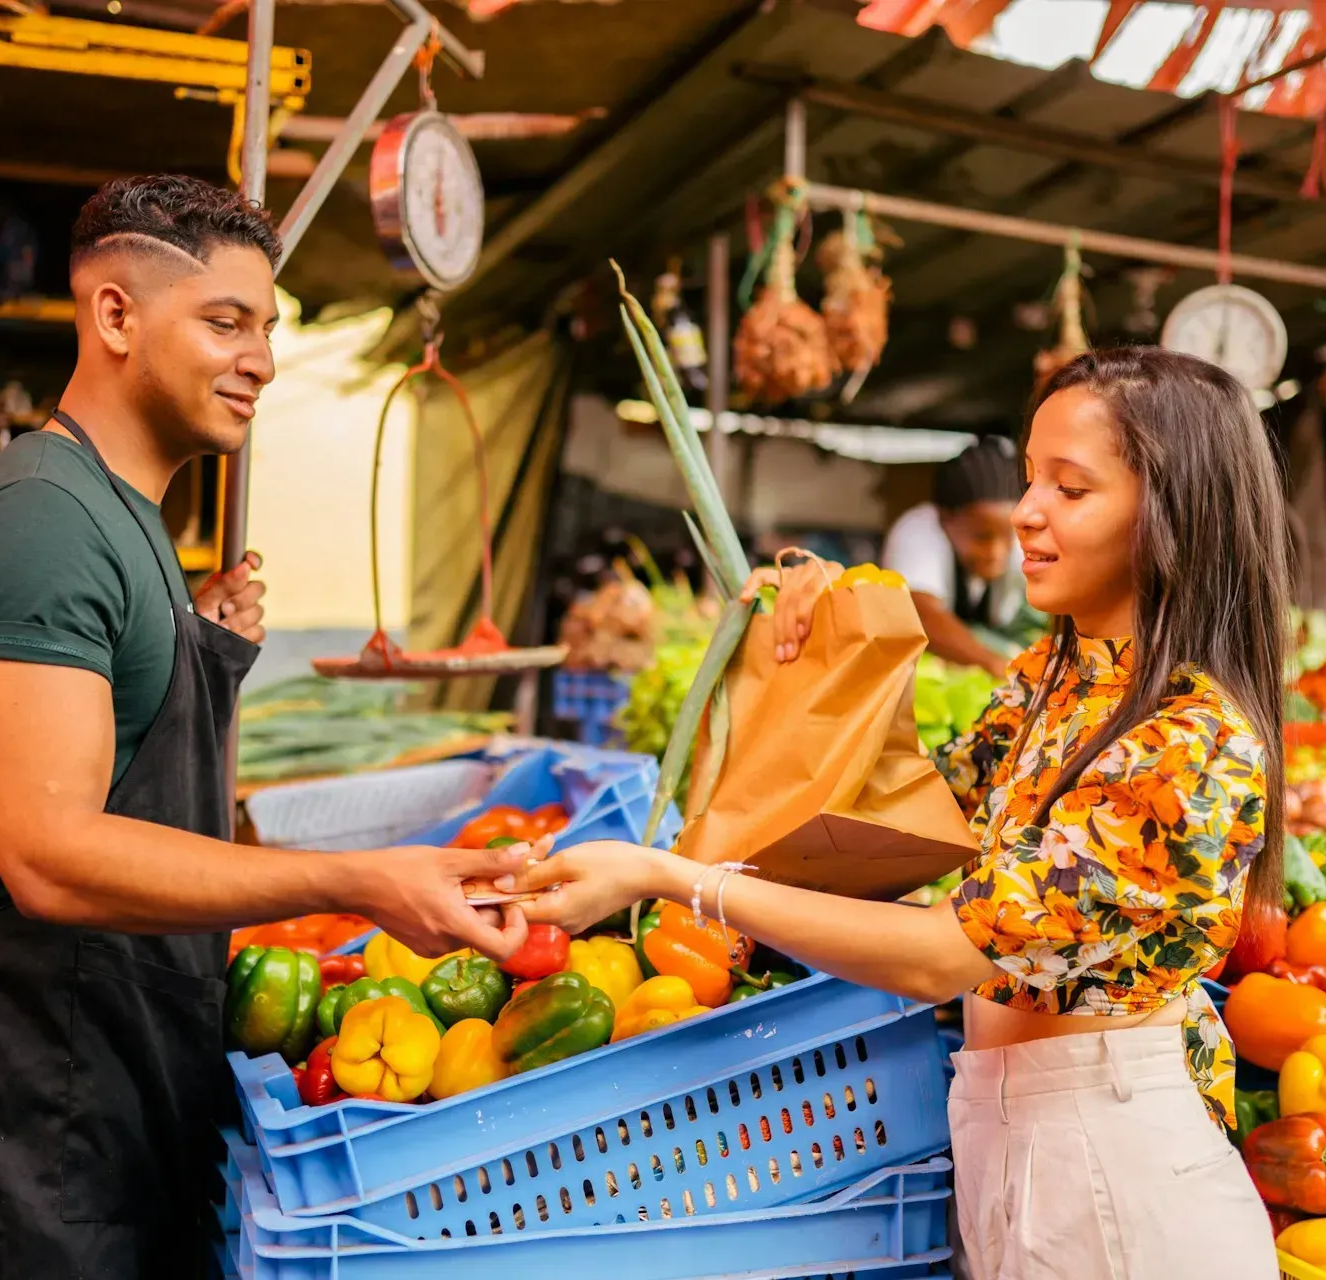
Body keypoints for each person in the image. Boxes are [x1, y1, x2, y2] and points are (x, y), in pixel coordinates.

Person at [0, 175, 531, 1280]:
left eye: (267, 327)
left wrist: (187, 636)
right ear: (116, 316)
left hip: (96, 1064)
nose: (261, 358)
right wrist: (358, 878)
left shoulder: (128, 521)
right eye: (225, 321)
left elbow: (117, 748)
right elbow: (53, 856)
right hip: (4, 1090)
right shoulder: (36, 520)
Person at [514, 348, 1286, 1279]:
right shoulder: (1051, 680)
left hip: (1118, 1163)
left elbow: (942, 954)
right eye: (1031, 478)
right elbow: (898, 829)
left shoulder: (1191, 747)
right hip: (1016, 1124)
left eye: (1070, 489)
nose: (1026, 512)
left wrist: (673, 879)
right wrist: (826, 627)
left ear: (1173, 516)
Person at [879, 435, 1041, 676]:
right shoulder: (917, 531)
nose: (995, 552)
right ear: (946, 519)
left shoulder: (1018, 532)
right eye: (981, 538)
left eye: (1007, 537)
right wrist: (994, 664)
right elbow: (922, 616)